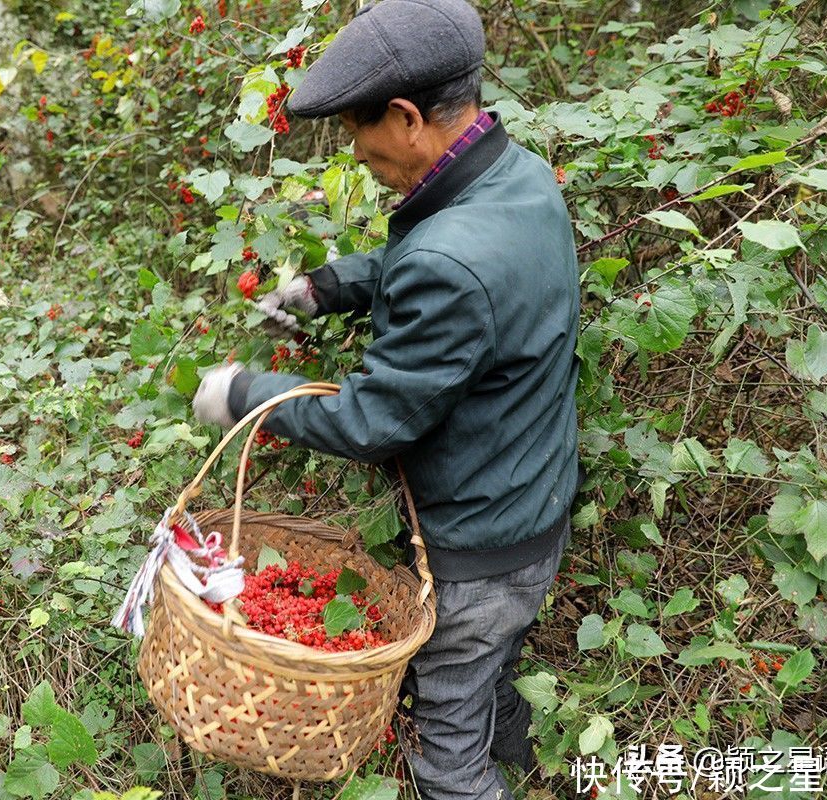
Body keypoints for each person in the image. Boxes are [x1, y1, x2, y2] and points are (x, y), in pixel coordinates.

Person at [191, 1, 581, 797]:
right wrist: (329, 287)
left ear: (407, 118)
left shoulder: (450, 260)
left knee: (447, 756)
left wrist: (243, 394)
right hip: (535, 512)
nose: (359, 156)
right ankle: (529, 763)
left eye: (361, 144)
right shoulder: (520, 177)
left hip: (476, 555)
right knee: (488, 675)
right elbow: (453, 264)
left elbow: (372, 419)